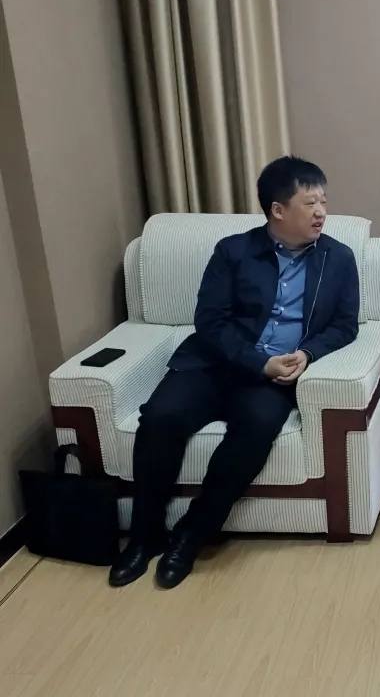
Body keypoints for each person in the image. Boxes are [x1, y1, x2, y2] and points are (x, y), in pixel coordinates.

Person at [109, 156, 360, 589]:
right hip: (213, 364)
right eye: (310, 203)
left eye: (323, 201)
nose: (321, 212)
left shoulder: (338, 258)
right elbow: (210, 321)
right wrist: (256, 361)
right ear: (278, 210)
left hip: (275, 377)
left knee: (257, 427)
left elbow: (344, 325)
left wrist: (307, 354)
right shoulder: (233, 251)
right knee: (161, 417)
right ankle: (145, 536)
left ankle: (192, 534)